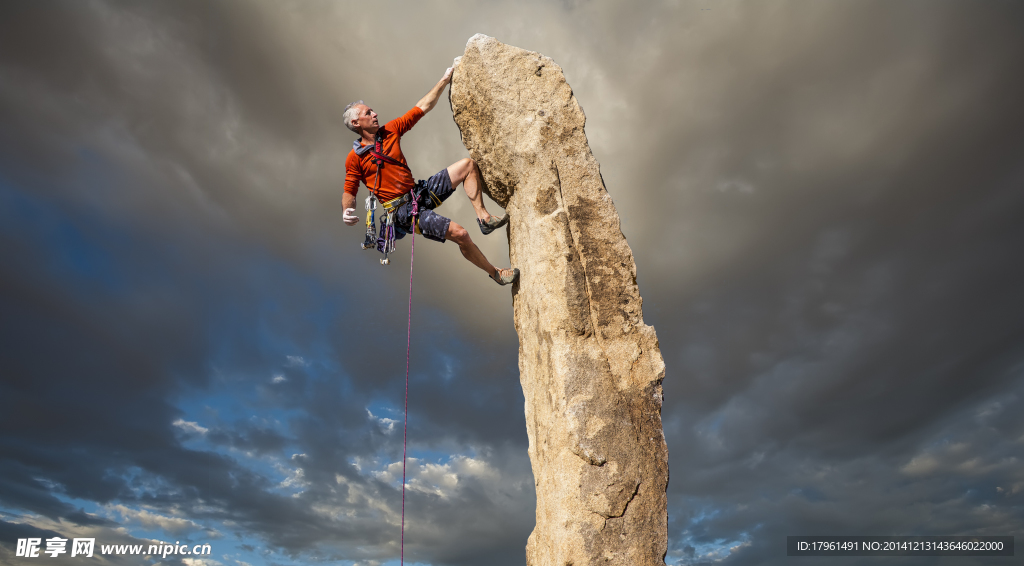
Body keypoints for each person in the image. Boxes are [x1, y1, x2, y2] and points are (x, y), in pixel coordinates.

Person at [342, 67, 520, 286]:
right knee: (461, 234)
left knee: (467, 165)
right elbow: (349, 191)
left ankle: (483, 218)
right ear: (356, 123)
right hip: (402, 212)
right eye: (368, 113)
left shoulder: (390, 131)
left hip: (418, 193)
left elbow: (422, 107)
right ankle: (496, 274)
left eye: (372, 110)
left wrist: (444, 80)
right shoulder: (355, 158)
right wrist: (346, 210)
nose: (375, 113)